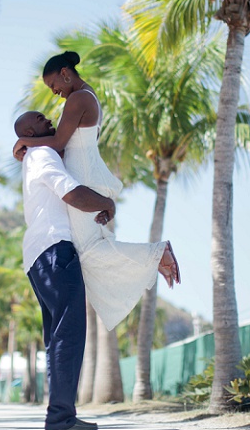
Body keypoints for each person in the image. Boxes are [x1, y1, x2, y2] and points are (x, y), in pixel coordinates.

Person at [13, 51, 180, 331]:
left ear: (66, 73)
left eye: (55, 85)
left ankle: (157, 253)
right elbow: (60, 144)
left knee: (88, 252)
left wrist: (23, 141)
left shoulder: (79, 98)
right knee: (89, 250)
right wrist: (27, 146)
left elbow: (58, 141)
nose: (55, 92)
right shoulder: (81, 97)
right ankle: (154, 256)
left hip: (83, 177)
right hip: (84, 172)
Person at [15, 110, 113, 430]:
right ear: (31, 130)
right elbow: (69, 192)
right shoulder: (42, 154)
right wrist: (106, 203)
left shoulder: (33, 156)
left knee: (58, 337)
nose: (50, 120)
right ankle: (60, 415)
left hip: (38, 256)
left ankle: (60, 414)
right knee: (69, 335)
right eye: (42, 119)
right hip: (56, 250)